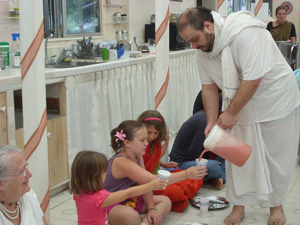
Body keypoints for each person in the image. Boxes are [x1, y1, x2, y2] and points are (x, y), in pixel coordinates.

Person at [178, 7, 300, 225]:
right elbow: (208, 88)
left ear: (208, 26)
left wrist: (231, 113)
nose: (194, 46)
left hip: (275, 99)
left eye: (194, 39)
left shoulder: (246, 33)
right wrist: (211, 122)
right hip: (239, 101)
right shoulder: (203, 52)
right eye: (189, 42)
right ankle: (238, 206)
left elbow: (253, 79)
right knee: (236, 157)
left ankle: (276, 205)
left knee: (275, 157)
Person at [103, 120, 206, 225]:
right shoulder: (121, 161)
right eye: (142, 140)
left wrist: (151, 208)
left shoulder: (137, 155)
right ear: (127, 142)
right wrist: (186, 174)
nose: (147, 143)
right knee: (130, 215)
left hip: (129, 200)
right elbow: (153, 180)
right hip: (111, 203)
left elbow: (145, 184)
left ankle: (144, 223)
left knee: (165, 201)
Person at [69, 150, 167, 225]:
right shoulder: (100, 197)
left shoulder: (78, 192)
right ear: (95, 177)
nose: (106, 174)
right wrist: (150, 185)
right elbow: (129, 192)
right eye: (104, 173)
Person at [169, 110, 226, 190]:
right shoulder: (203, 122)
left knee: (227, 156)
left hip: (194, 159)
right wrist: (209, 162)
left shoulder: (206, 117)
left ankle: (219, 177)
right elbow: (192, 154)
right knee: (214, 166)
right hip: (181, 163)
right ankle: (219, 176)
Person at [0, 145, 44, 225]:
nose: (30, 174)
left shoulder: (29, 196)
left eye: (26, 167)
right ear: (1, 183)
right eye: (22, 172)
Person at [137, 110, 178, 174]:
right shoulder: (136, 145)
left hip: (152, 177)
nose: (151, 137)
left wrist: (164, 164)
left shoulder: (156, 142)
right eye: (149, 132)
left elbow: (154, 158)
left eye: (155, 133)